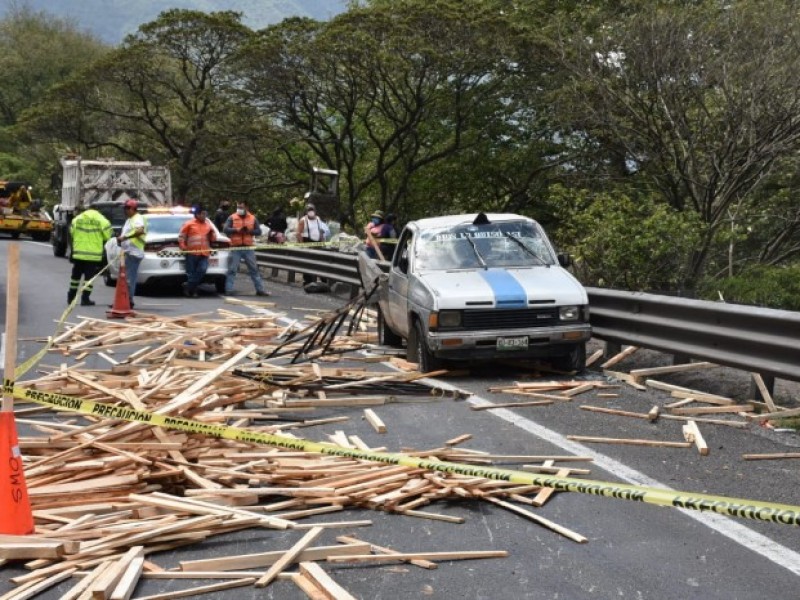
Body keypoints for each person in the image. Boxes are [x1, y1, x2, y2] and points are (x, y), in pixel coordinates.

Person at [68, 205, 113, 306]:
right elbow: (108, 236)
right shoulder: (102, 220)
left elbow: (71, 232)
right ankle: (85, 299)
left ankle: (71, 297)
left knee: (75, 277)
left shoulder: (77, 219)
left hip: (79, 254)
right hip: (93, 255)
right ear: (97, 210)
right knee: (89, 279)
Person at [223, 201, 269, 296]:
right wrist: (237, 230)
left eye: (241, 207)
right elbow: (225, 229)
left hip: (248, 248)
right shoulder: (232, 217)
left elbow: (258, 231)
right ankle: (229, 289)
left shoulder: (252, 218)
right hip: (235, 247)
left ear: (246, 208)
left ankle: (260, 290)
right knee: (232, 269)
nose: (239, 209)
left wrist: (249, 231)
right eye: (238, 207)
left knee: (254, 269)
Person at [178, 206, 217, 297]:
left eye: (206, 214)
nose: (205, 216)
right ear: (197, 214)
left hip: (204, 252)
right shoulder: (189, 224)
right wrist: (183, 247)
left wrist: (212, 234)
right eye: (203, 214)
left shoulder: (208, 225)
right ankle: (194, 291)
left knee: (202, 270)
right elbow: (181, 237)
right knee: (191, 273)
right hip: (191, 253)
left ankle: (188, 286)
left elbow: (213, 239)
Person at [116, 199, 147, 307]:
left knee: (128, 278)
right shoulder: (130, 219)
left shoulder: (137, 218)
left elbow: (139, 231)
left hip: (134, 253)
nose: (125, 211)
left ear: (133, 209)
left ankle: (128, 301)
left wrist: (124, 237)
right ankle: (123, 300)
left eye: (126, 208)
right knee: (126, 277)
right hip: (129, 252)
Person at [296, 203, 330, 285]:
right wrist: (302, 245)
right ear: (306, 212)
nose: (311, 212)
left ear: (315, 211)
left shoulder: (318, 219)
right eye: (309, 210)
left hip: (317, 243)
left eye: (312, 210)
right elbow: (298, 233)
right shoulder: (303, 220)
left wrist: (322, 242)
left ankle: (324, 280)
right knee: (308, 262)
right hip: (307, 242)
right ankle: (308, 281)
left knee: (320, 262)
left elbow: (320, 231)